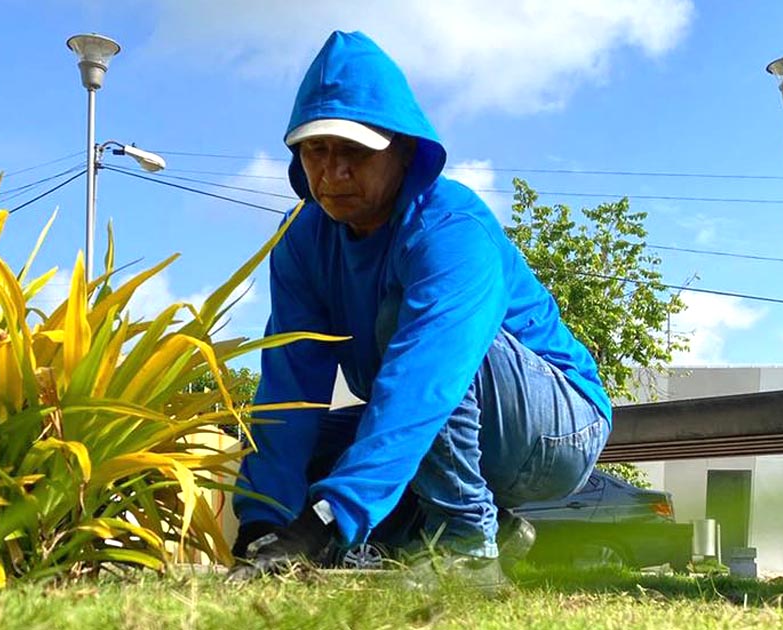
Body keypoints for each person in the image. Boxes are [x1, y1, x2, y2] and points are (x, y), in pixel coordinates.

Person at [229, 31, 612, 589]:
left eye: (355, 152)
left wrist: (323, 522)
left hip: (556, 430)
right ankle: (479, 533)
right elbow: (291, 387)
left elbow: (426, 378)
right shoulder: (303, 241)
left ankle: (467, 545)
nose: (332, 173)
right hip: (452, 410)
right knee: (320, 450)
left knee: (412, 337)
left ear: (404, 150)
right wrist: (263, 521)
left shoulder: (451, 228)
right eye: (316, 150)